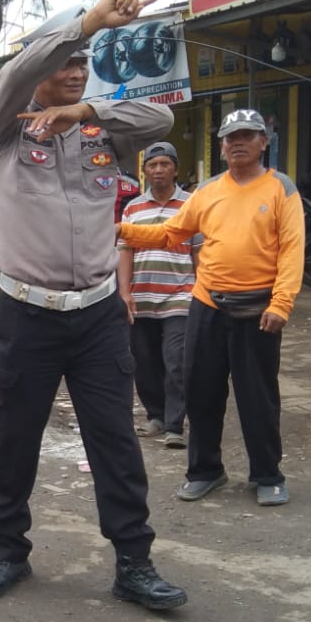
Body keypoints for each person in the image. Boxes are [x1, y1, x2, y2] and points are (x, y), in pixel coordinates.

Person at [0, 0, 188, 612]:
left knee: (115, 442)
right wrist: (86, 22)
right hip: (27, 315)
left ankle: (133, 564)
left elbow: (161, 122)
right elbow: (13, 76)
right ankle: (7, 552)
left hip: (95, 315)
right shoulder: (5, 130)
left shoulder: (100, 132)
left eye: (83, 58)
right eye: (62, 60)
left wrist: (86, 109)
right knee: (16, 440)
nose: (73, 68)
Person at [118, 108, 304, 507]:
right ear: (221, 146)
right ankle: (205, 471)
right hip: (206, 305)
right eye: (230, 137)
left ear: (263, 142)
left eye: (247, 135)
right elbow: (172, 233)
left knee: (258, 396)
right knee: (201, 392)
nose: (238, 142)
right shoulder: (208, 191)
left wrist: (282, 302)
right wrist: (122, 230)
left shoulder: (280, 188)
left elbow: (291, 251)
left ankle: (267, 474)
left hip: (258, 309)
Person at [117, 141, 194, 448]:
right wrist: (124, 292)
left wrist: (202, 290)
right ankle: (156, 416)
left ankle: (175, 424)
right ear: (145, 171)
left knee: (177, 361)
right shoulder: (132, 208)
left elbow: (200, 251)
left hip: (181, 297)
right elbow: (125, 251)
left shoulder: (191, 204)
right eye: (153, 165)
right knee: (144, 362)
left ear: (175, 168)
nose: (159, 170)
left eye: (165, 164)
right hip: (142, 298)